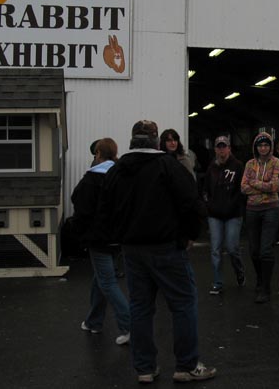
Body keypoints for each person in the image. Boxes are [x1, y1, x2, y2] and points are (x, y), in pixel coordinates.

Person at [96, 120, 215, 384]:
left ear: (131, 140)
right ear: (155, 140)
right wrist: (188, 235)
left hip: (132, 251)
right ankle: (186, 365)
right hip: (166, 248)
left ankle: (145, 368)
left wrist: (120, 237)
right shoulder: (169, 167)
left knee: (140, 308)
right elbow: (191, 203)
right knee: (183, 304)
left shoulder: (117, 171)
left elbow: (104, 210)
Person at [71, 137, 130, 345]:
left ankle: (129, 325)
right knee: (101, 278)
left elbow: (80, 205)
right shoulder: (122, 175)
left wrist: (79, 233)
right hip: (118, 237)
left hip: (98, 238)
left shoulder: (91, 179)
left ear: (98, 154)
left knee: (107, 281)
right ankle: (94, 321)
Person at [240, 131, 279, 303]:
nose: (263, 148)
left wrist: (255, 184)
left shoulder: (277, 162)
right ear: (255, 147)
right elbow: (243, 187)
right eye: (260, 145)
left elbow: (274, 186)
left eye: (266, 145)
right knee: (254, 249)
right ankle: (259, 278)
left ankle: (265, 287)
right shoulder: (249, 164)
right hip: (252, 210)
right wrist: (263, 186)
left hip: (271, 209)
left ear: (270, 146)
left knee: (266, 249)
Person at [203, 135, 246, 295]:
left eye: (224, 146)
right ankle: (218, 282)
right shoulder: (211, 168)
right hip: (214, 215)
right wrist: (209, 205)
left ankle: (239, 271)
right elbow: (205, 189)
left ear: (229, 148)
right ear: (215, 149)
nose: (221, 150)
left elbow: (242, 190)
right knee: (215, 249)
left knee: (232, 247)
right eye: (219, 147)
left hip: (233, 214)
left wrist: (233, 205)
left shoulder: (238, 166)